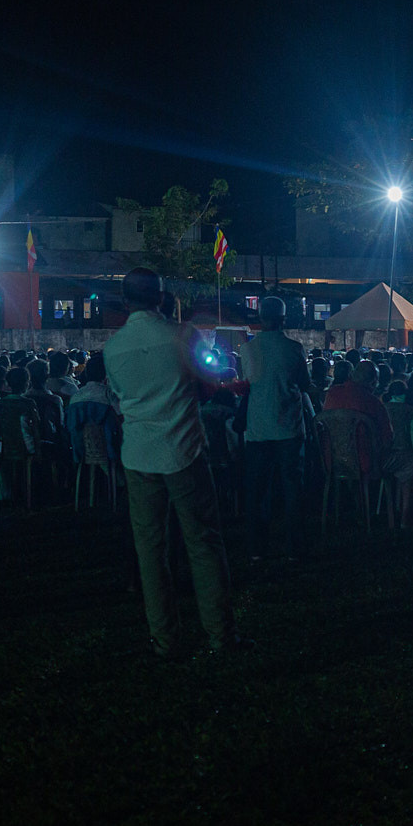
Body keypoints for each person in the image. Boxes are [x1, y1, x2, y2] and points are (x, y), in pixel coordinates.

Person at [104, 268, 245, 658]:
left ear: (125, 299)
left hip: (138, 454)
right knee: (203, 544)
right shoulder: (182, 335)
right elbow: (207, 386)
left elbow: (119, 398)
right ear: (161, 296)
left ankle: (164, 638)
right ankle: (220, 635)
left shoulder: (113, 349)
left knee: (150, 550)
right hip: (184, 450)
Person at [237, 296, 309, 560]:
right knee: (292, 489)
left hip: (257, 428)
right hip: (289, 427)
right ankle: (295, 547)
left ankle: (257, 548)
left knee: (257, 491)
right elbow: (303, 383)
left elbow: (248, 383)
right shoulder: (294, 348)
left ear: (260, 318)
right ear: (283, 318)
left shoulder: (248, 350)